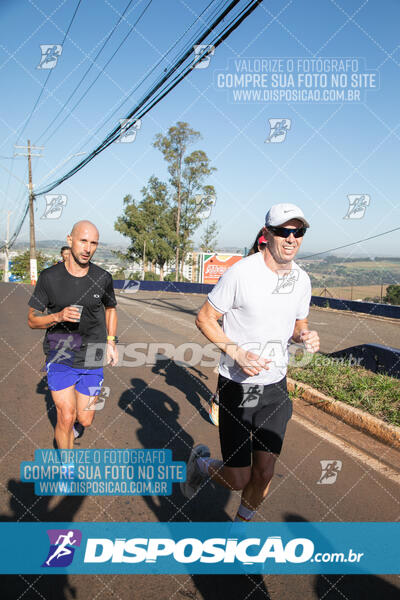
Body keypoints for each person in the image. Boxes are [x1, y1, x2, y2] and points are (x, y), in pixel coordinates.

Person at [181, 203, 320, 524]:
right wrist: (237, 352)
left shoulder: (301, 280)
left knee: (265, 471)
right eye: (284, 231)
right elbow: (205, 318)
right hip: (237, 388)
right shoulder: (241, 273)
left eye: (298, 232)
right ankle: (201, 464)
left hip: (275, 387)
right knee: (238, 478)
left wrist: (304, 336)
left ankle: (239, 530)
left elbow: (300, 323)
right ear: (268, 234)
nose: (291, 238)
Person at [28, 220, 118, 450]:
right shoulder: (49, 277)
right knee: (65, 416)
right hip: (60, 351)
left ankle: (78, 424)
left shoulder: (103, 278)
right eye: (83, 241)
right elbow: (32, 320)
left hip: (93, 353)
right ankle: (66, 471)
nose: (88, 248)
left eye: (93, 243)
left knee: (85, 418)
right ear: (70, 240)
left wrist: (111, 342)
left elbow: (110, 309)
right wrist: (57, 317)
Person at [208, 229, 267, 427]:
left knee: (253, 387)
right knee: (229, 370)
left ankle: (246, 416)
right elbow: (212, 311)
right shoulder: (239, 273)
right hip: (234, 339)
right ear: (260, 246)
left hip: (260, 342)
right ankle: (218, 400)